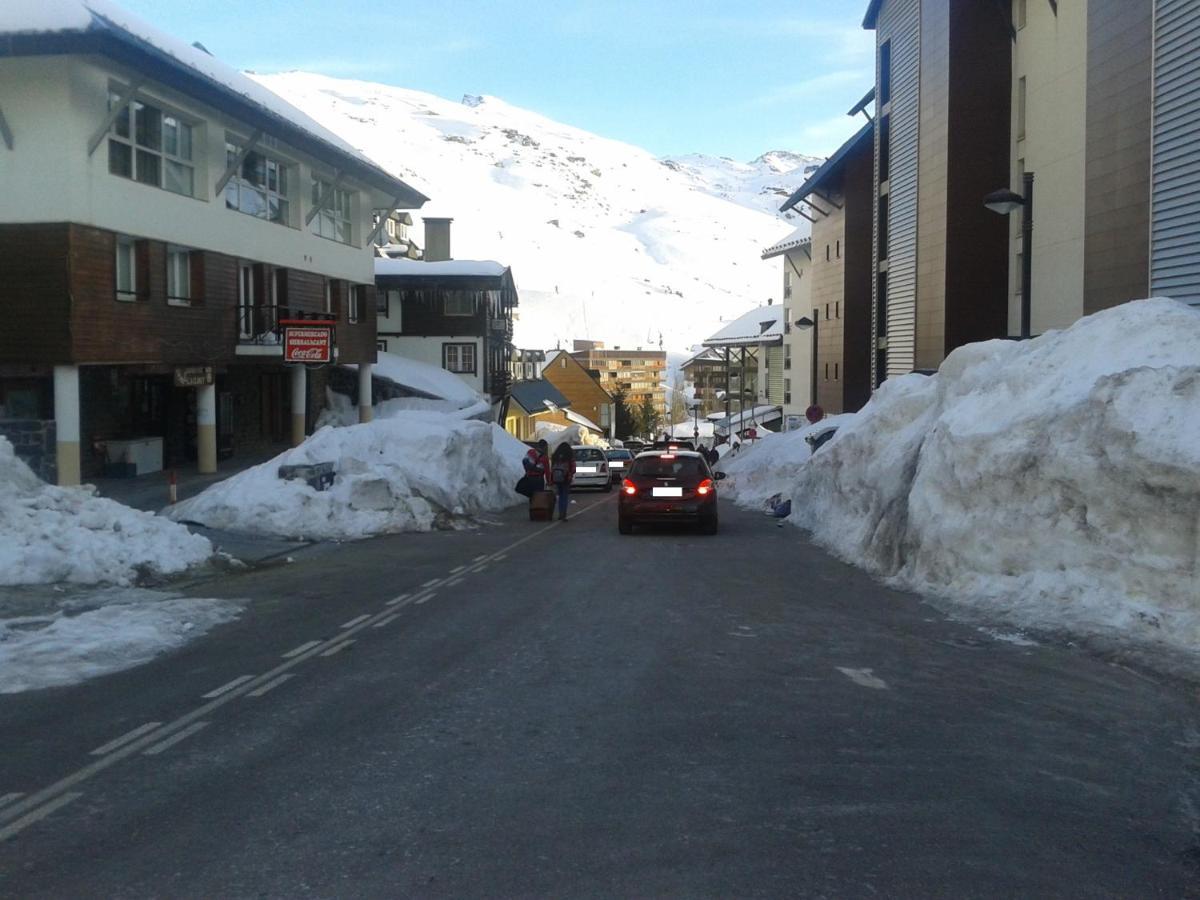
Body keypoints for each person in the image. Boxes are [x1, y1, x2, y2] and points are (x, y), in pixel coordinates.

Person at [549, 441, 576, 521]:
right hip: (566, 478)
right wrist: (570, 473)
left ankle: (560, 513)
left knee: (560, 496)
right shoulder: (569, 456)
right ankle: (563, 515)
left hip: (556, 479)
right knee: (564, 497)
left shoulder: (555, 456)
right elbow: (573, 469)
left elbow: (552, 468)